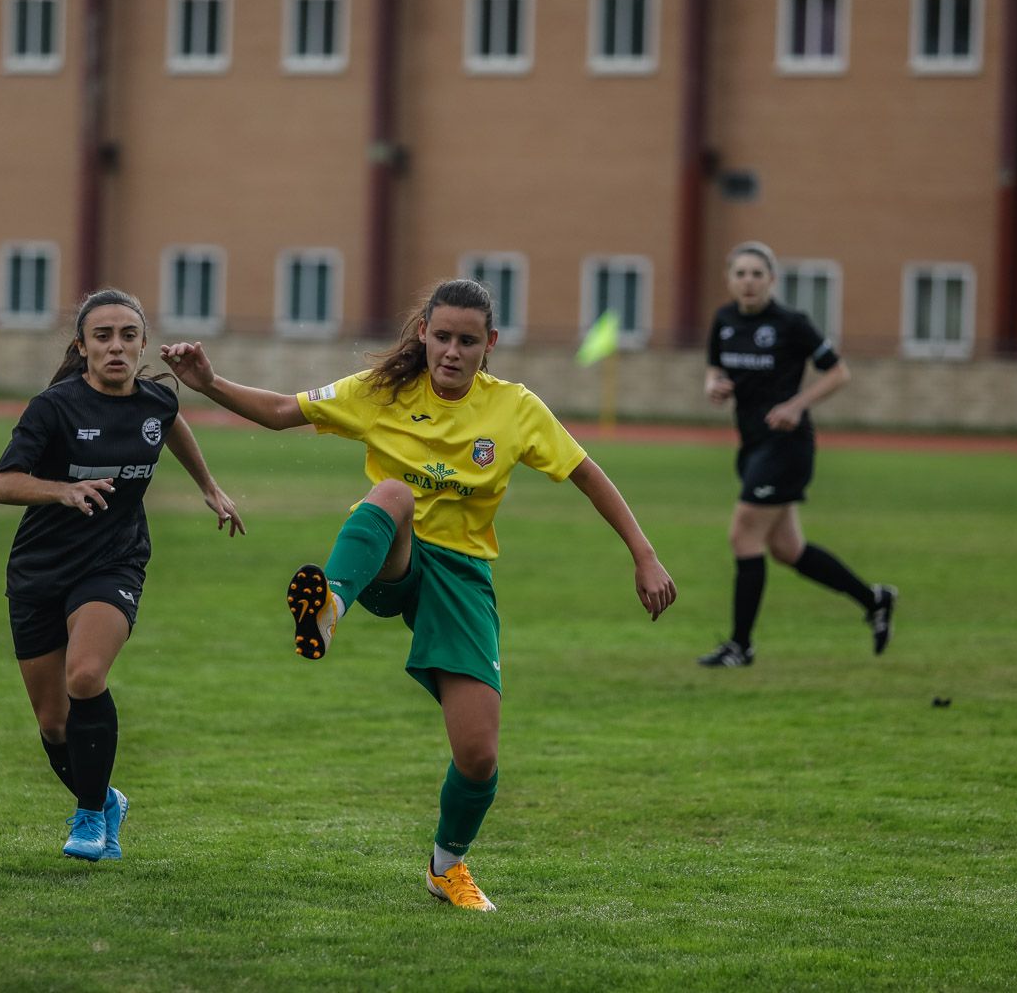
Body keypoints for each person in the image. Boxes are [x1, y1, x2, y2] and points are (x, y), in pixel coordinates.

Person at [159, 278, 676, 911]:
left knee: (480, 756)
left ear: (489, 344)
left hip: (461, 578)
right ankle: (328, 607)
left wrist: (644, 554)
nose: (452, 352)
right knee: (393, 494)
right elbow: (279, 411)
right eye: (441, 337)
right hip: (391, 556)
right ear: (423, 335)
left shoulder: (514, 408)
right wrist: (207, 382)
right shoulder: (383, 393)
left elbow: (586, 473)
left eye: (467, 341)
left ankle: (445, 867)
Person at [0, 288, 244, 861]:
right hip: (38, 570)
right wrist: (63, 489)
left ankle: (86, 817)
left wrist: (210, 487)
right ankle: (106, 800)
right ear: (82, 347)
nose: (116, 346)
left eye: (128, 335)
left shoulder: (155, 400)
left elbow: (171, 421)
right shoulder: (53, 407)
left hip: (114, 562)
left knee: (85, 676)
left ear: (143, 343)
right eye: (102, 336)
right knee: (54, 725)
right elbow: (2, 484)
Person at [698, 241, 896, 668]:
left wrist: (796, 405)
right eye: (740, 274)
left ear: (772, 279)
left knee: (742, 535)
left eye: (757, 274)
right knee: (787, 549)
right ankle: (874, 599)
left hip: (787, 447)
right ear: (729, 280)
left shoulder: (791, 323)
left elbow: (839, 372)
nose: (748, 282)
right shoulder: (724, 320)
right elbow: (715, 368)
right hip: (752, 445)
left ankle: (740, 646)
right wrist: (712, 385)